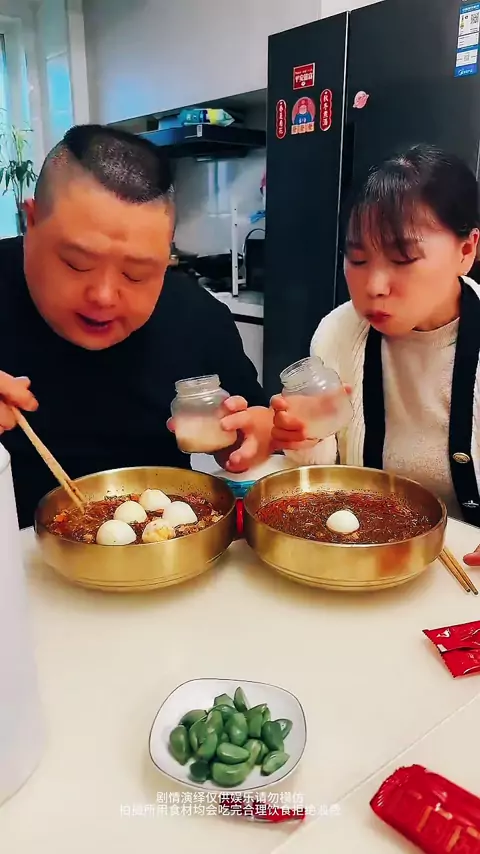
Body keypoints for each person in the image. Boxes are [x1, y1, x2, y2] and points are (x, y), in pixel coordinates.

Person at [0, 124, 273, 529]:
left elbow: (253, 423)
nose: (104, 296)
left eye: (137, 274)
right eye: (77, 263)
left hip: (158, 549)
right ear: (31, 221)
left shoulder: (198, 319)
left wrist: (249, 438)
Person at [270, 143, 480, 565]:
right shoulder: (338, 333)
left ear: (466, 250)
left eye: (403, 259)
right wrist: (306, 437)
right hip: (365, 558)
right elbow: (327, 472)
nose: (374, 286)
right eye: (358, 259)